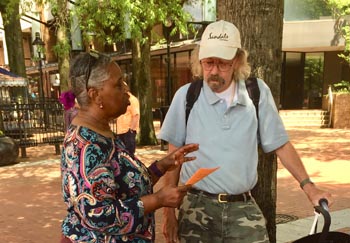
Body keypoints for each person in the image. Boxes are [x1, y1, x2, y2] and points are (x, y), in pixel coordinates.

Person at [158, 20, 333, 243]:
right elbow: (173, 158)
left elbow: (281, 144)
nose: (213, 71)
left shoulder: (256, 93)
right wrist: (168, 213)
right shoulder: (186, 97)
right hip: (196, 209)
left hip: (242, 209)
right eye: (208, 62)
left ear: (238, 60)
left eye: (222, 63)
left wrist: (310, 189)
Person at [60, 52, 199, 243]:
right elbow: (100, 215)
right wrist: (158, 200)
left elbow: (127, 185)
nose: (126, 88)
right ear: (95, 95)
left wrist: (163, 166)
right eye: (118, 84)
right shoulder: (86, 147)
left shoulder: (103, 134)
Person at [117, 83, 140, 155]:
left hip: (128, 131)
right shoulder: (122, 101)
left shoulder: (132, 100)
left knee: (129, 153)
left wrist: (131, 130)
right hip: (121, 131)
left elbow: (136, 115)